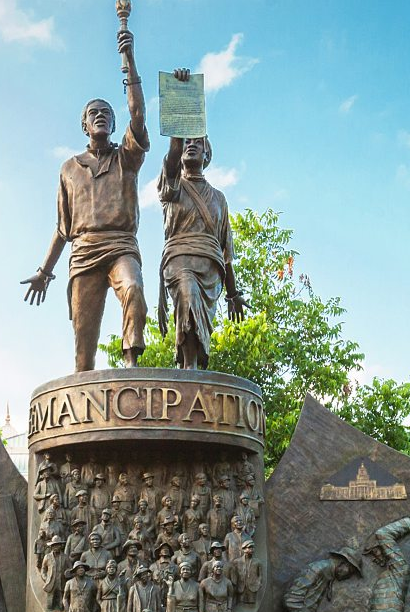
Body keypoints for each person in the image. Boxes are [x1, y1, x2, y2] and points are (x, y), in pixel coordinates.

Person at [22, 19, 149, 372]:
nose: (101, 118)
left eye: (107, 114)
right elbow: (63, 228)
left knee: (134, 290)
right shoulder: (68, 168)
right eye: (94, 114)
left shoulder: (126, 157)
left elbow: (138, 114)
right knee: (83, 345)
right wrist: (43, 271)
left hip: (121, 243)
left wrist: (130, 59)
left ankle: (131, 364)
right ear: (84, 125)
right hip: (84, 252)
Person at [156, 89, 245, 369]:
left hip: (211, 269)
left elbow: (226, 250)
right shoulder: (172, 186)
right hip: (180, 258)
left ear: (207, 155)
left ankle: (195, 367)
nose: (191, 145)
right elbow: (171, 156)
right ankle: (188, 366)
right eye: (187, 142)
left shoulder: (219, 198)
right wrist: (181, 103)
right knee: (187, 294)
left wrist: (233, 293)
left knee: (201, 318)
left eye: (198, 143)